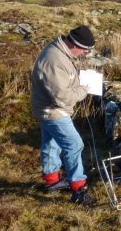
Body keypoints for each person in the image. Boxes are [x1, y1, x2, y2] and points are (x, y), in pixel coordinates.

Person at [30, 25, 96, 205]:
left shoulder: (60, 52)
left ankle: (52, 180)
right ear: (75, 44)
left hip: (46, 109)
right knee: (74, 145)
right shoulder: (54, 60)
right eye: (84, 50)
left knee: (51, 143)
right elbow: (62, 97)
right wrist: (84, 90)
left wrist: (77, 80)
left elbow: (61, 82)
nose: (84, 54)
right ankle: (79, 188)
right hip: (53, 111)